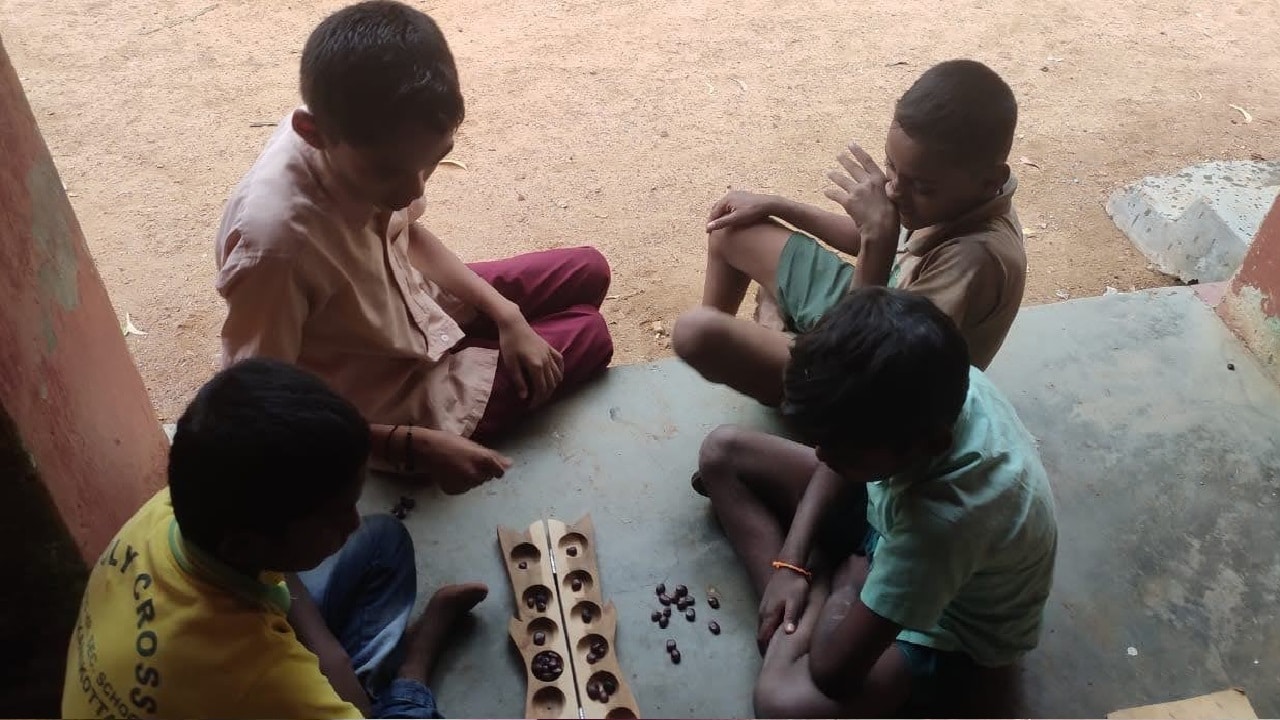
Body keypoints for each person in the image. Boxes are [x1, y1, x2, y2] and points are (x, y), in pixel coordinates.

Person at [215, 0, 614, 495]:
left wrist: (508, 315)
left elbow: (407, 235)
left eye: (433, 162)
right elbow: (260, 407)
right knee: (591, 332)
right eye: (389, 173)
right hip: (390, 399)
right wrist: (411, 445)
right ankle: (474, 367)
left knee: (590, 270)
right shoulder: (275, 249)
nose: (413, 192)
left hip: (417, 306)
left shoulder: (359, 131)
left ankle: (486, 343)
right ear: (312, 133)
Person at [695, 288, 1057, 717]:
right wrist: (790, 562)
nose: (822, 456)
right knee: (722, 453)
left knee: (782, 704)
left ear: (926, 444)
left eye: (842, 451)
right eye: (821, 442)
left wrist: (849, 587)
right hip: (885, 516)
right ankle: (806, 586)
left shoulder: (944, 520)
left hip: (945, 623)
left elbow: (834, 674)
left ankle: (817, 590)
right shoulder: (931, 383)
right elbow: (834, 461)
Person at [62, 359, 488, 719]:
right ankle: (412, 673)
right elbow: (265, 678)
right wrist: (339, 688)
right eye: (334, 515)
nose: (353, 521)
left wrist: (327, 653)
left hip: (195, 676)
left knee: (382, 542)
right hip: (239, 685)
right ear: (246, 544)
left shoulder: (177, 505)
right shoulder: (259, 674)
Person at [673, 60, 1025, 406]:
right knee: (733, 230)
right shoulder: (956, 196)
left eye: (921, 186)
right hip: (872, 306)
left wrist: (876, 241)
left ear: (990, 180)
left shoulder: (974, 260)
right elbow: (871, 240)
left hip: (882, 388)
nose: (893, 191)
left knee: (703, 336)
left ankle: (775, 334)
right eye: (890, 165)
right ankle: (757, 346)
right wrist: (777, 206)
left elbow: (860, 362)